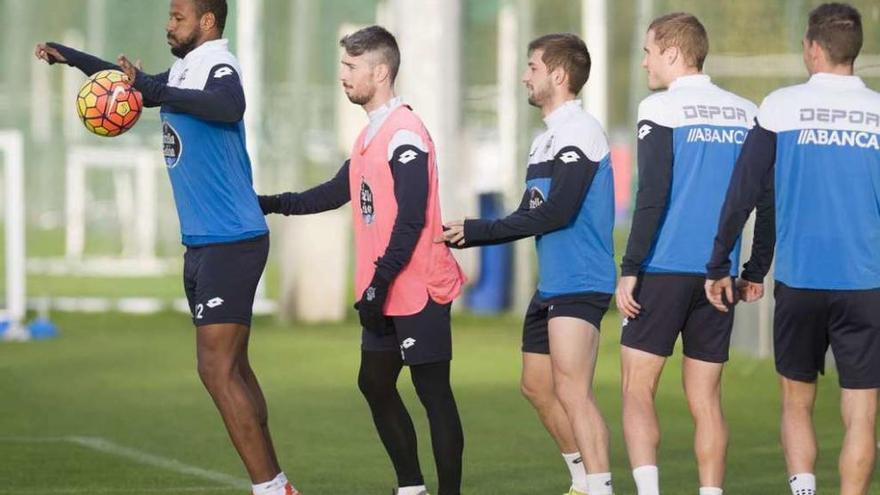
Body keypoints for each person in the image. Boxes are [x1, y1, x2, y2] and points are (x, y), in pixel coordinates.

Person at [34, 1, 298, 494]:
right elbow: (134, 82)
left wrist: (154, 89)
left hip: (231, 238)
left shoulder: (219, 64)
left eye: (178, 17)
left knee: (214, 369)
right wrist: (71, 58)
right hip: (204, 241)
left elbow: (229, 104)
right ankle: (277, 481)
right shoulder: (187, 67)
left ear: (207, 22)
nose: (168, 24)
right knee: (234, 368)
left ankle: (271, 487)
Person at [259, 25, 466, 495]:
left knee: (433, 394)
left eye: (352, 67)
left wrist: (379, 281)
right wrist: (269, 202)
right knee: (374, 383)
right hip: (385, 289)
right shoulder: (370, 134)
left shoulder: (405, 134)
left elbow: (412, 219)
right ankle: (411, 487)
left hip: (417, 287)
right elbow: (335, 192)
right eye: (343, 66)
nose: (343, 76)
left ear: (381, 71)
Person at [705, 4, 879, 495]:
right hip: (868, 283)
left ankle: (803, 490)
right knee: (862, 412)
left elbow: (745, 192)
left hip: (801, 281)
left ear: (814, 49)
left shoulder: (781, 106)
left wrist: (723, 263)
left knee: (797, 402)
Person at [440, 33, 615, 495]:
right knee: (537, 387)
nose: (525, 76)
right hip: (553, 282)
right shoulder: (544, 141)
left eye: (532, 67)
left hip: (581, 280)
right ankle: (581, 479)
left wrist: (479, 231)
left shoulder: (581, 131)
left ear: (558, 75)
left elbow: (557, 213)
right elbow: (526, 213)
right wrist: (469, 232)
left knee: (574, 390)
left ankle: (600, 486)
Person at [615, 13, 767, 495]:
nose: (643, 62)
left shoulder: (659, 108)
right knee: (707, 401)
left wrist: (630, 267)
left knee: (637, 389)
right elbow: (766, 199)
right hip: (717, 276)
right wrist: (753, 267)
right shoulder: (748, 112)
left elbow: (653, 194)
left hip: (661, 269)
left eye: (648, 51)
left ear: (673, 54)